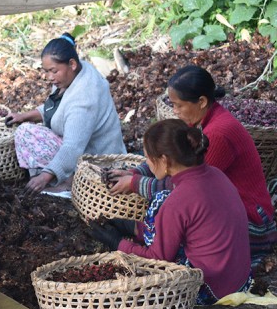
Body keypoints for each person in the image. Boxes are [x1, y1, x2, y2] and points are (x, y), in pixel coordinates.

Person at [109, 65, 276, 265]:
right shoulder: (201, 121)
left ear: (202, 101)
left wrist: (135, 183)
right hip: (226, 209)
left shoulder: (218, 135)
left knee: (169, 211)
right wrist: (136, 171)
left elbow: (185, 189)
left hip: (250, 225)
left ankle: (141, 234)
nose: (175, 111)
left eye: (178, 105)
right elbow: (170, 151)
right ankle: (140, 231)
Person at [91, 120, 251, 305]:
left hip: (211, 288)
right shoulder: (216, 174)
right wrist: (133, 228)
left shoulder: (176, 200)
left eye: (148, 158)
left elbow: (157, 260)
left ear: (164, 161)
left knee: (160, 201)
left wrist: (117, 244)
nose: (147, 164)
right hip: (240, 281)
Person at [6, 32, 126, 194]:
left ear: (72, 64)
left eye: (53, 71)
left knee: (25, 133)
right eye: (46, 71)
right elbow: (57, 108)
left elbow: (72, 147)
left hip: (99, 162)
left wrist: (44, 177)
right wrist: (23, 116)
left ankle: (70, 183)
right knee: (24, 129)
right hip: (86, 147)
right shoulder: (75, 72)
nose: (49, 77)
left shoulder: (84, 99)